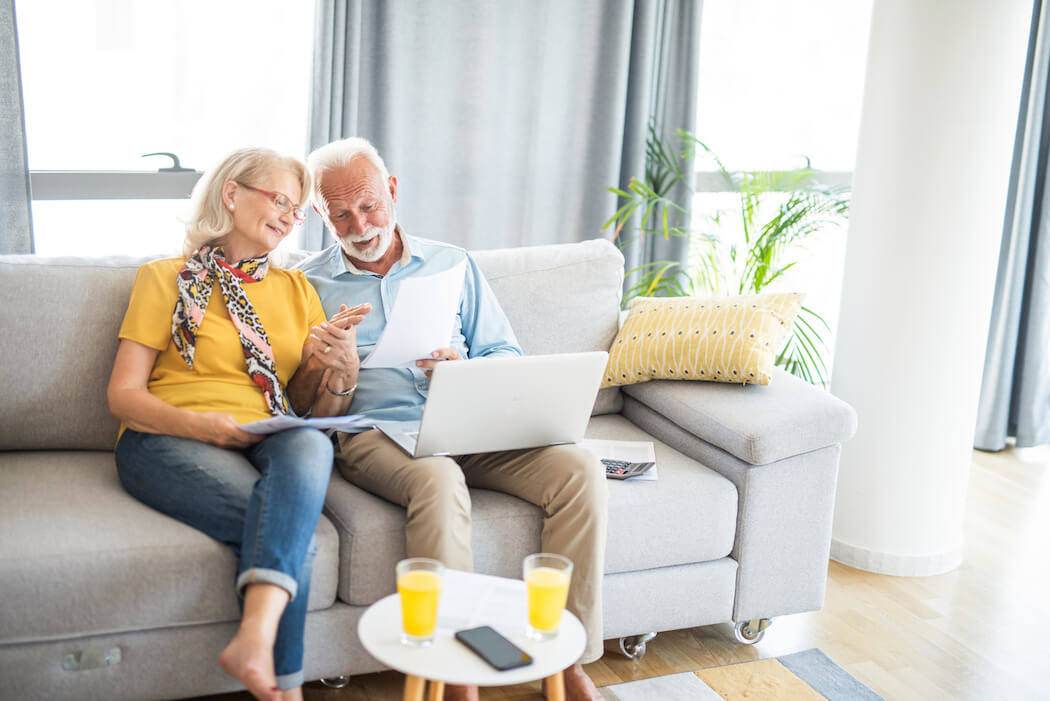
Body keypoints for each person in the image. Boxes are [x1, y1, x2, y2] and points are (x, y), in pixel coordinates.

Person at [297, 137, 608, 701]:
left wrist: (463, 368)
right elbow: (304, 411)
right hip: (378, 434)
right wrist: (333, 373)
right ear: (319, 213)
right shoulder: (307, 284)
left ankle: (568, 658)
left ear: (391, 191)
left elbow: (505, 355)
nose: (358, 224)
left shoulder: (452, 263)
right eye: (339, 213)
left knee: (579, 469)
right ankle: (457, 672)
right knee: (439, 479)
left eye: (368, 205)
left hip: (471, 421)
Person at [107, 147, 366, 701]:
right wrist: (208, 429)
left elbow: (315, 416)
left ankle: (254, 643)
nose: (289, 217)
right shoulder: (164, 278)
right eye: (279, 200)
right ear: (232, 194)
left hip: (267, 434)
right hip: (168, 436)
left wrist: (339, 374)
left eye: (296, 210)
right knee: (292, 534)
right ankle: (285, 690)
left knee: (311, 446)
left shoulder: (299, 291)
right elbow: (123, 397)